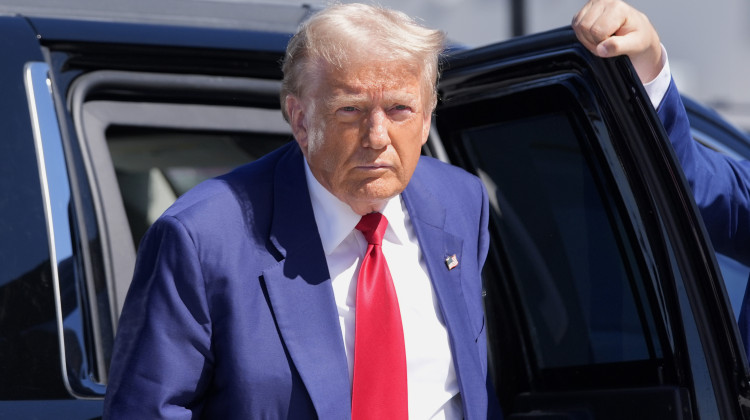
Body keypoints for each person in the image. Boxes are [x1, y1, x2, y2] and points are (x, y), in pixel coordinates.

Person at [103, 0, 682, 418]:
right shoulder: (204, 235)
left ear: (428, 116)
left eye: (401, 109)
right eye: (352, 109)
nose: (379, 136)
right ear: (301, 117)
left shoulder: (461, 201)